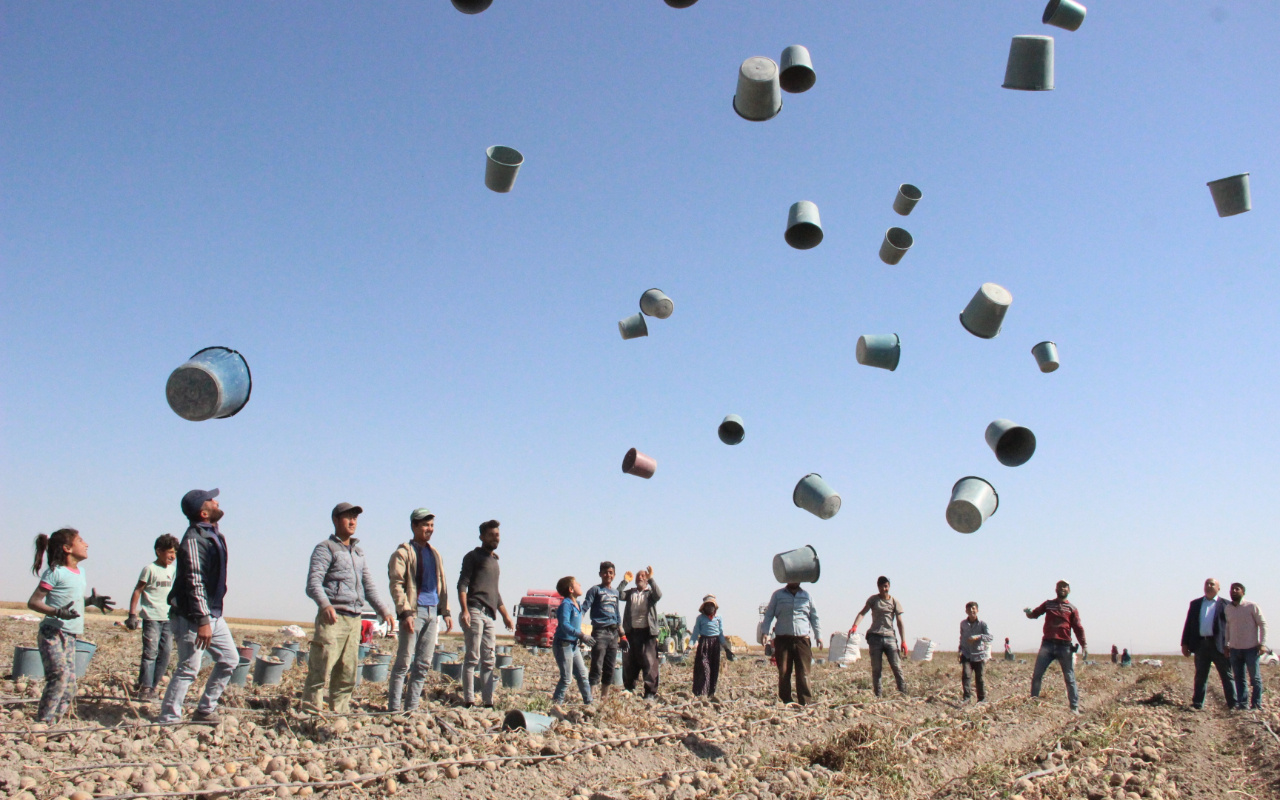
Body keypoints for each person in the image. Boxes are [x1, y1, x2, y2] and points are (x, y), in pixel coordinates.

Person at [302, 502, 395, 715]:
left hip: (354, 619)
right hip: (333, 618)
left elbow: (368, 586)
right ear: (336, 520)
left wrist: (384, 610)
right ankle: (311, 714)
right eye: (347, 517)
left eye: (355, 518)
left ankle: (339, 713)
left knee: (347, 671)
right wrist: (325, 605)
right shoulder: (325, 548)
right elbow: (313, 583)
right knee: (321, 667)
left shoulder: (358, 553)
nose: (352, 521)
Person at [159, 489, 239, 724]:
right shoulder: (194, 539)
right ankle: (169, 719)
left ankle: (205, 709)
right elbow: (194, 581)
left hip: (212, 613)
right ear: (204, 513)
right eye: (211, 500)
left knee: (229, 659)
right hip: (192, 616)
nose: (217, 501)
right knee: (189, 668)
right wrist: (203, 620)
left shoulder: (213, 535)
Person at [26, 528, 114, 723]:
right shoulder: (54, 572)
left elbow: (71, 600)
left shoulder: (79, 572)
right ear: (67, 548)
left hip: (71, 635)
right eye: (81, 540)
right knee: (58, 676)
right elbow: (34, 602)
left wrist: (90, 601)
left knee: (70, 685)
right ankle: (43, 722)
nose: (86, 544)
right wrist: (56, 612)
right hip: (53, 632)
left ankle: (55, 722)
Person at [386, 508, 453, 713]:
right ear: (414, 526)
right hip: (414, 613)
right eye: (425, 525)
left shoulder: (435, 554)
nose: (429, 529)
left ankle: (411, 708)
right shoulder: (403, 553)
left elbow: (441, 582)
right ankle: (394, 709)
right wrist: (405, 612)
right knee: (404, 663)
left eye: (431, 525)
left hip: (433, 612)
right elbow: (396, 584)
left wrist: (446, 611)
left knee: (423, 663)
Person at [457, 520, 514, 708]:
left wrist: (505, 615)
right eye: (491, 535)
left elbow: (495, 593)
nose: (495, 538)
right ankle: (469, 700)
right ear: (482, 537)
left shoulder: (495, 561)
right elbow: (462, 584)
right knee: (473, 657)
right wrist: (464, 610)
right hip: (474, 610)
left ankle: (488, 703)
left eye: (497, 534)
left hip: (490, 616)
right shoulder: (472, 557)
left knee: (489, 660)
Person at [126, 534, 179, 701]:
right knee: (150, 653)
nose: (173, 556)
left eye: (175, 552)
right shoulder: (149, 569)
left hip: (168, 618)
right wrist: (132, 614)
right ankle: (145, 688)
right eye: (170, 552)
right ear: (159, 551)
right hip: (151, 617)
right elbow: (138, 590)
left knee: (165, 653)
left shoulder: (173, 570)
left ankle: (153, 686)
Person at [1025, 579, 1087, 714]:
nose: (1062, 589)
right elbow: (1034, 614)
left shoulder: (1072, 608)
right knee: (1037, 675)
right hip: (1047, 644)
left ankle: (1074, 707)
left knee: (1069, 677)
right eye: (1060, 587)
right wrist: (1028, 613)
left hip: (1064, 646)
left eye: (1065, 587)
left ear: (1069, 590)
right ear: (1056, 589)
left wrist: (1084, 645)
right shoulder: (1048, 604)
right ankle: (1033, 703)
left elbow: (1078, 627)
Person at [1180, 577, 1235, 711]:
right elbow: (1189, 624)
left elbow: (1231, 627)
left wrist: (1230, 645)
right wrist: (1185, 643)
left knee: (1227, 675)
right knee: (1200, 675)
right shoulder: (1196, 604)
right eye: (1207, 584)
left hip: (1219, 646)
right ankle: (1198, 703)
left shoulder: (1226, 605)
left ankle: (1233, 703)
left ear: (1218, 588)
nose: (1209, 586)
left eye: (1212, 584)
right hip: (1201, 644)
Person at [761, 582, 821, 705]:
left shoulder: (807, 596)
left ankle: (805, 702)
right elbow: (769, 614)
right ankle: (786, 701)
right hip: (783, 639)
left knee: (804, 672)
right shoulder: (778, 595)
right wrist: (765, 632)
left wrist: (818, 636)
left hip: (802, 639)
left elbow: (814, 617)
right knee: (784, 671)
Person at [849, 576, 907, 697]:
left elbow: (900, 622)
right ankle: (878, 695)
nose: (883, 589)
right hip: (875, 638)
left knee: (897, 667)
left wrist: (903, 641)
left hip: (890, 637)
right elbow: (862, 613)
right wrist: (855, 626)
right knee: (876, 669)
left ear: (889, 587)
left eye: (886, 586)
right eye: (881, 586)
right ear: (878, 587)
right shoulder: (873, 600)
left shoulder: (894, 602)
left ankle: (903, 693)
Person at [618, 566, 662, 699]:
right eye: (638, 576)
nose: (640, 578)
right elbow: (618, 594)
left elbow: (659, 594)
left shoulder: (650, 595)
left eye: (643, 576)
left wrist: (652, 579)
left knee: (649, 663)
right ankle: (629, 688)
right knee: (629, 661)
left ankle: (649, 692)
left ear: (647, 580)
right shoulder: (630, 593)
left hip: (647, 634)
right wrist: (624, 582)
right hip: (631, 633)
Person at [1224, 582, 1268, 711]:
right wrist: (1227, 645)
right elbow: (1227, 628)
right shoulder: (1228, 609)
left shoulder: (1251, 606)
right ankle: (1243, 705)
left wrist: (1262, 644)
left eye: (1237, 589)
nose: (1234, 591)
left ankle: (1256, 704)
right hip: (1235, 649)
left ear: (1243, 592)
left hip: (1251, 648)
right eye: (1232, 589)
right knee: (1239, 678)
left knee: (1255, 678)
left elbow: (1263, 624)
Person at [580, 561, 621, 696]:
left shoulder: (615, 593)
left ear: (614, 575)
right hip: (600, 632)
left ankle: (604, 697)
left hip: (613, 633)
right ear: (600, 574)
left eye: (610, 573)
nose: (607, 575)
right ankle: (591, 696)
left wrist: (622, 634)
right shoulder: (595, 590)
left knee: (610, 666)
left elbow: (617, 613)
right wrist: (578, 622)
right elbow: (585, 607)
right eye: (605, 572)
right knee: (597, 664)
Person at [551, 576, 593, 705]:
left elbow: (585, 609)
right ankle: (556, 705)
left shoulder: (577, 605)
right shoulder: (566, 605)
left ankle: (589, 703)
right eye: (576, 584)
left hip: (573, 646)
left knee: (583, 675)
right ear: (570, 589)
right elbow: (565, 625)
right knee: (566, 679)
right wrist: (581, 635)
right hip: (563, 645)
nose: (580, 584)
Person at [691, 595, 734, 697]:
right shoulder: (700, 618)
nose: (710, 608)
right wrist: (689, 647)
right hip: (704, 645)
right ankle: (702, 693)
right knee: (705, 669)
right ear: (704, 607)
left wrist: (726, 649)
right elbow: (695, 633)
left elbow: (720, 634)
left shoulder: (719, 618)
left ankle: (711, 693)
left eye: (712, 605)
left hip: (715, 645)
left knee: (714, 669)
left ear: (715, 607)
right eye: (708, 605)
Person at [958, 602, 992, 703]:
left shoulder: (982, 624)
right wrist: (960, 650)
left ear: (977, 610)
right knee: (966, 676)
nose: (971, 611)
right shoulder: (963, 624)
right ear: (966, 611)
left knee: (980, 678)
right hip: (966, 654)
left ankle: (981, 699)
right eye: (969, 609)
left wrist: (979, 637)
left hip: (979, 655)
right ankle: (967, 698)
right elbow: (962, 637)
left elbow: (990, 637)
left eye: (973, 609)